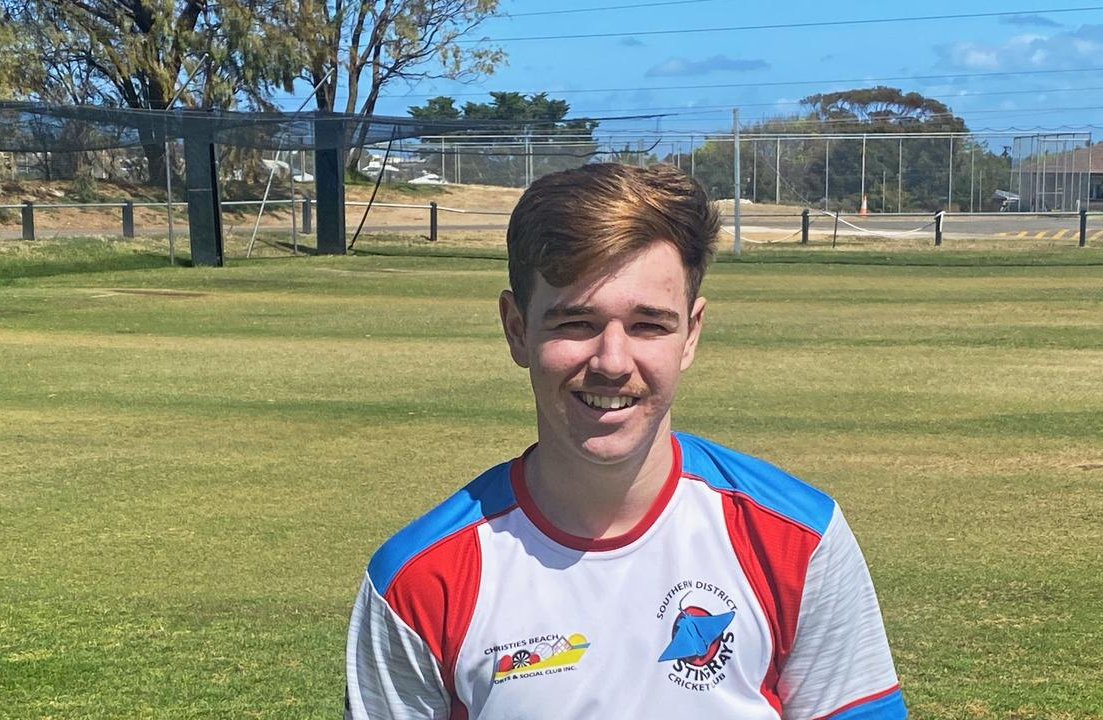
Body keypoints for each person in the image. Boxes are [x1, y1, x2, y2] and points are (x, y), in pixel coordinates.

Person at [345, 163, 906, 720]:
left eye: (648, 326)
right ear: (516, 329)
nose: (612, 362)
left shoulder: (796, 540)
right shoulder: (419, 581)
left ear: (691, 334)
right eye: (575, 323)